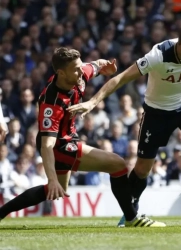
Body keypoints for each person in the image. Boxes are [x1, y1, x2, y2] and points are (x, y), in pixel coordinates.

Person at [67, 21, 181, 226]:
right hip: (157, 111)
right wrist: (93, 102)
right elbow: (120, 79)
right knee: (143, 168)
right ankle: (129, 214)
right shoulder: (158, 56)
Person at [0, 47, 165, 228]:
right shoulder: (52, 102)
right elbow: (47, 145)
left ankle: (1, 212)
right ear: (61, 73)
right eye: (76, 69)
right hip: (59, 146)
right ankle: (132, 218)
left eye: (80, 66)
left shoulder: (78, 74)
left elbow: (96, 65)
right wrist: (52, 177)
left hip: (67, 138)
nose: (81, 71)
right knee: (117, 164)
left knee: (55, 190)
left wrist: (105, 67)